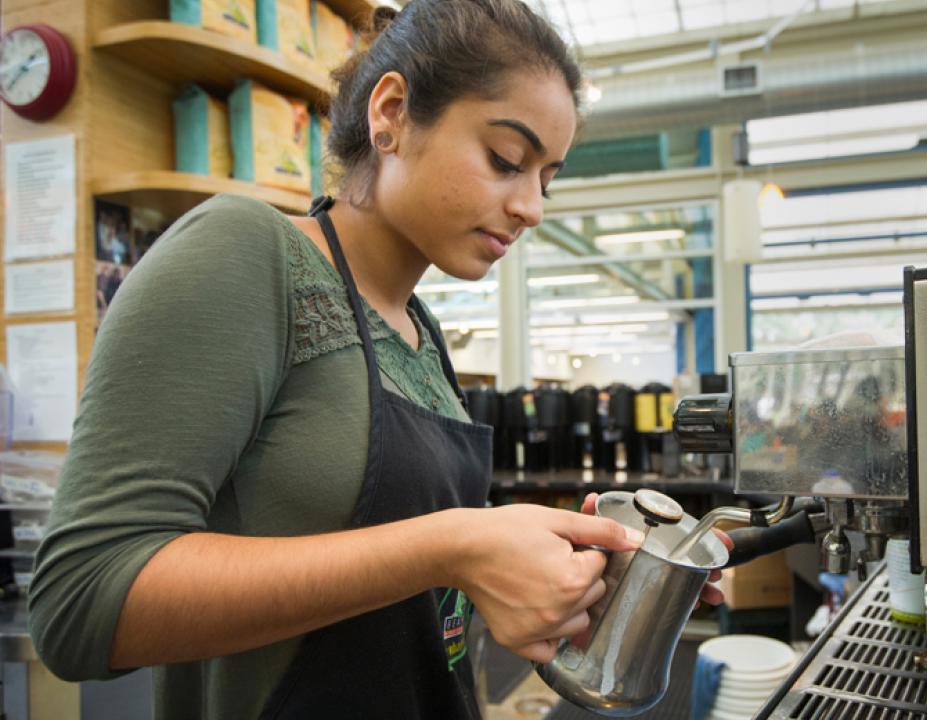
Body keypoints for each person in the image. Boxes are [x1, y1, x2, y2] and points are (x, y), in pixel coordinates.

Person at [29, 2, 724, 718]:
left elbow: (414, 603)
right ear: (391, 112)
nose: (531, 208)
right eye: (506, 161)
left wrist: (566, 565)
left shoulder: (421, 333)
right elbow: (82, 601)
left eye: (546, 178)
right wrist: (450, 545)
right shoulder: (247, 256)